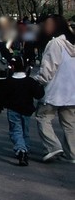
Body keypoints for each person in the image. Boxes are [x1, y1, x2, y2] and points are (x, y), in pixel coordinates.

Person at [31, 16, 75, 163]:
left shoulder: (55, 43)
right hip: (71, 91)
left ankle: (52, 146)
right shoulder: (72, 43)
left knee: (43, 117)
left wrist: (39, 80)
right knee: (69, 123)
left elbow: (49, 67)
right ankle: (72, 153)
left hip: (54, 90)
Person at [0, 55, 45, 166]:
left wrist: (1, 104)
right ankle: (25, 148)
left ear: (12, 67)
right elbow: (39, 94)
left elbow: (1, 96)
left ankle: (21, 150)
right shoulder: (30, 81)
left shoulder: (8, 81)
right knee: (25, 131)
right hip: (26, 110)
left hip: (13, 109)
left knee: (15, 130)